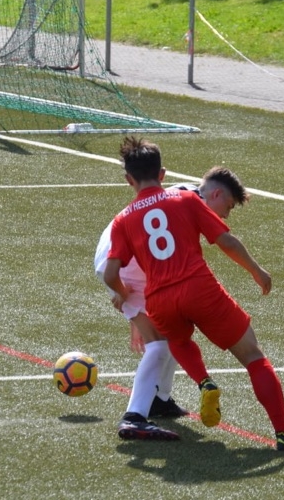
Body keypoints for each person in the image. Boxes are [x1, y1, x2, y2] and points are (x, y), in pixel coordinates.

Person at [103, 137, 284, 452]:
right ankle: (283, 434)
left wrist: (123, 292)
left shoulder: (122, 219)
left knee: (177, 341)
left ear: (129, 179)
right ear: (162, 174)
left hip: (159, 299)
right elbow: (226, 241)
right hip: (199, 288)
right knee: (253, 356)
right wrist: (256, 270)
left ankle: (205, 382)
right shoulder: (185, 199)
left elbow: (110, 273)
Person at [95, 168, 249, 441]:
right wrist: (123, 290)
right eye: (227, 207)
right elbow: (159, 252)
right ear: (215, 194)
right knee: (160, 342)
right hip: (124, 264)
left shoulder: (182, 193)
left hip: (119, 260)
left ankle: (160, 399)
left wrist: (135, 310)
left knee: (173, 333)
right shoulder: (187, 202)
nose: (226, 215)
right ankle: (134, 416)